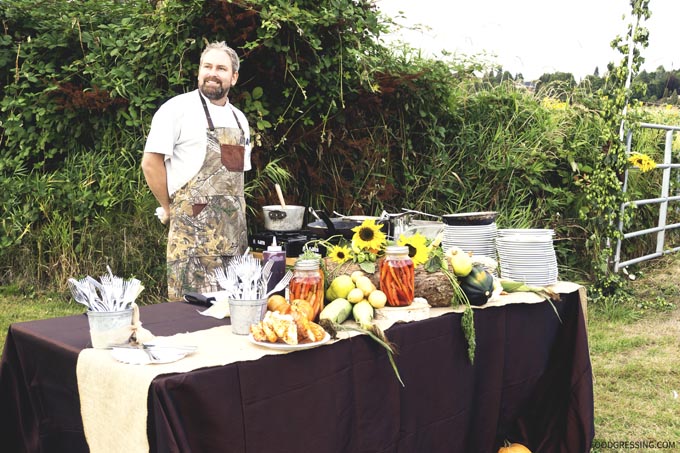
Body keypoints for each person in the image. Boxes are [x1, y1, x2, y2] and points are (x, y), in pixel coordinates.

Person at [141, 41, 252, 301]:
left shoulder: (240, 119)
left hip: (233, 241)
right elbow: (150, 162)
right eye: (207, 66)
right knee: (188, 319)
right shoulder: (176, 110)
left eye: (221, 68)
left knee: (233, 317)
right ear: (199, 71)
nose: (212, 73)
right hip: (192, 242)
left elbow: (236, 183)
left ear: (233, 77)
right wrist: (167, 208)